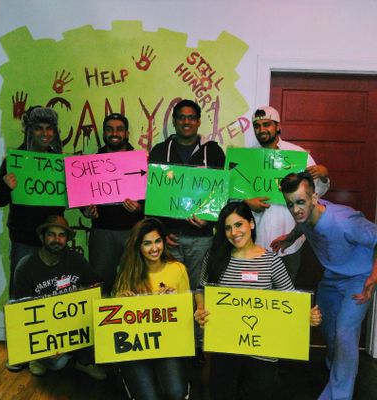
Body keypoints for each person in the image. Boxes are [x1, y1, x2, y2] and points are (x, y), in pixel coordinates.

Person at [194, 201, 321, 400]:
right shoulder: (214, 257)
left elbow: (290, 301)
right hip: (225, 345)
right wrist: (200, 307)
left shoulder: (271, 261)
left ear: (251, 224)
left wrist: (308, 315)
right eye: (228, 228)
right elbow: (201, 289)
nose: (234, 232)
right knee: (222, 393)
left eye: (239, 225)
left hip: (262, 350)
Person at [271, 172, 377, 400]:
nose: (296, 210)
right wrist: (289, 238)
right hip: (332, 278)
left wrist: (374, 276)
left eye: (300, 202)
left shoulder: (344, 221)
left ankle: (339, 394)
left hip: (359, 279)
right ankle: (338, 367)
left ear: (314, 198)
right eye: (290, 204)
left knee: (345, 334)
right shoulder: (305, 215)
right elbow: (303, 226)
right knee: (329, 331)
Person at [149, 99, 225, 364]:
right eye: (181, 117)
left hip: (201, 238)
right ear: (174, 121)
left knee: (198, 291)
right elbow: (153, 194)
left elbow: (220, 193)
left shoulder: (213, 152)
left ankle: (197, 344)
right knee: (168, 291)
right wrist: (161, 231)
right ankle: (172, 341)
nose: (186, 122)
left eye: (191, 117)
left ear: (198, 121)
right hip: (168, 239)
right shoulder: (160, 151)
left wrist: (209, 219)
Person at [13, 215, 106, 380]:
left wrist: (85, 291)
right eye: (51, 234)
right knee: (58, 363)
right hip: (45, 332)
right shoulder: (26, 267)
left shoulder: (76, 260)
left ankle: (84, 361)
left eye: (61, 235)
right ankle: (37, 358)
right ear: (42, 237)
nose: (57, 240)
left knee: (102, 313)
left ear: (67, 239)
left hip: (73, 326)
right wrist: (42, 343)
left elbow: (99, 286)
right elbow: (20, 314)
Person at [246, 106, 330, 283]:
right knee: (257, 287)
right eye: (257, 126)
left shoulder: (297, 155)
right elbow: (234, 195)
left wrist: (323, 176)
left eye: (267, 124)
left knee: (286, 290)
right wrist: (246, 202)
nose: (261, 130)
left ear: (278, 126)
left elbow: (316, 193)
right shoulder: (247, 157)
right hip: (255, 239)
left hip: (290, 239)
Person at [0, 106, 64, 300]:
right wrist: (4, 186)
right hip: (24, 240)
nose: (45, 133)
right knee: (21, 295)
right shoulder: (14, 161)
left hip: (54, 240)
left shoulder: (60, 162)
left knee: (53, 293)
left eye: (49, 128)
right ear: (29, 130)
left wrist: (87, 209)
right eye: (39, 128)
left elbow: (71, 196)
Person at [113, 218, 190, 400]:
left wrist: (174, 302)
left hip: (168, 343)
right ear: (138, 246)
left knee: (176, 392)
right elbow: (115, 320)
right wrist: (121, 301)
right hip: (136, 346)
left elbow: (187, 311)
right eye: (147, 243)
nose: (154, 248)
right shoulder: (127, 272)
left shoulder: (177, 269)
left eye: (158, 241)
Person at [82, 113, 143, 294]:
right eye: (109, 129)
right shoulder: (91, 162)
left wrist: (140, 208)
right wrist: (86, 210)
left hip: (133, 231)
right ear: (104, 133)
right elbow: (82, 196)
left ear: (127, 134)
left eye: (119, 129)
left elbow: (154, 198)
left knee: (136, 281)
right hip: (102, 232)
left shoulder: (140, 160)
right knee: (100, 284)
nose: (114, 133)